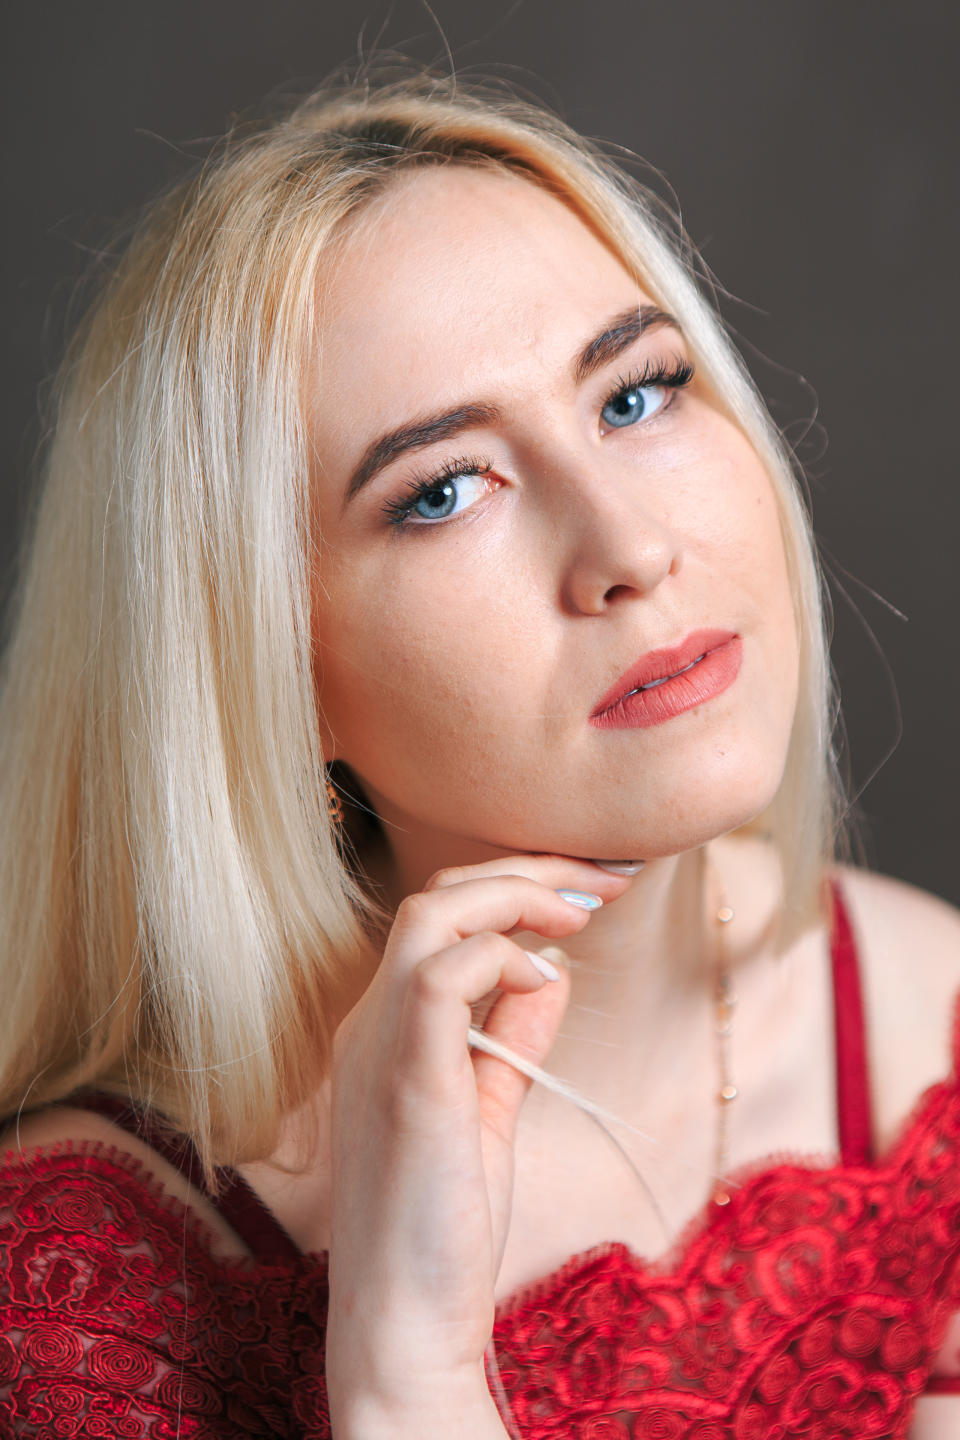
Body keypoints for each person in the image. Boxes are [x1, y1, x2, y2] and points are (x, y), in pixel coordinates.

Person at [0, 69, 958, 1440]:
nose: (630, 548)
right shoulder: (78, 1304)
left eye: (636, 395)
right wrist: (405, 1381)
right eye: (443, 490)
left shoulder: (931, 1025)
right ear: (268, 675)